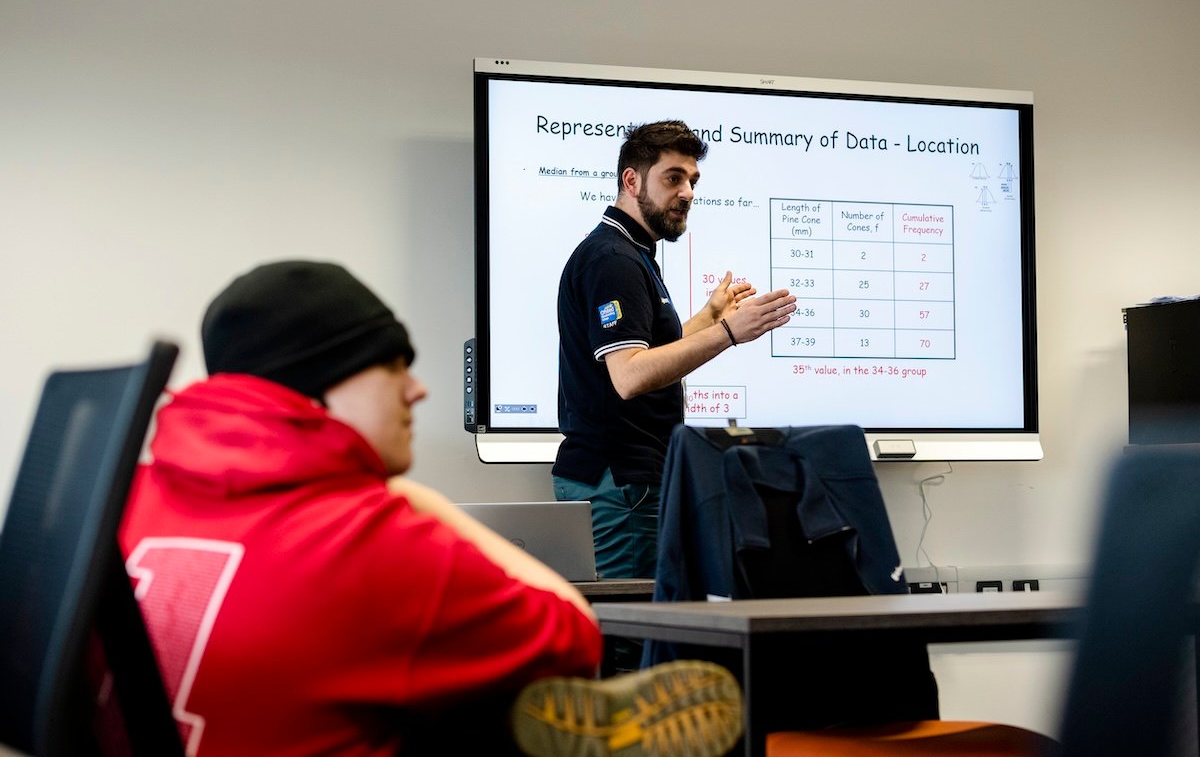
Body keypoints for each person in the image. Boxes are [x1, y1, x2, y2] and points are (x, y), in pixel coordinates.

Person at [118, 260, 743, 757]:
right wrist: (414, 497)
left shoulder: (132, 496)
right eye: (393, 366)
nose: (418, 389)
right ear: (319, 382)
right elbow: (571, 637)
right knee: (494, 701)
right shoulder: (370, 540)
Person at [554, 121, 797, 581]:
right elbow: (629, 376)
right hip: (622, 483)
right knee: (630, 642)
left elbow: (648, 353)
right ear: (632, 180)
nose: (687, 192)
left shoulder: (631, 252)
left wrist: (707, 318)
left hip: (627, 480)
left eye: (692, 181)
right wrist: (727, 332)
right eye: (673, 178)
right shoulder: (614, 260)